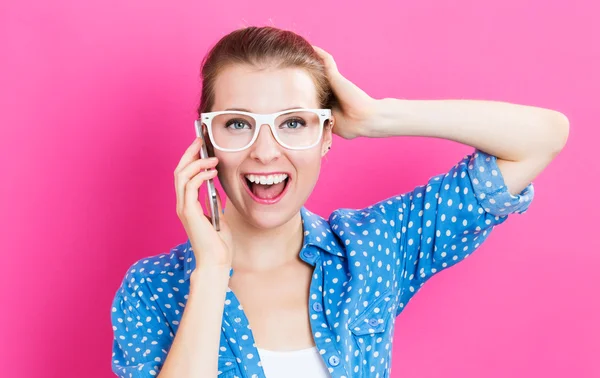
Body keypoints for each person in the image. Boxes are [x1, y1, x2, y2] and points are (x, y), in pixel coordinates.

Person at [109, 26, 568, 378]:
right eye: (237, 124)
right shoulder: (152, 290)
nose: (265, 151)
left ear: (327, 135)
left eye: (293, 123)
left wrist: (375, 116)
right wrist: (210, 272)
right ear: (205, 139)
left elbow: (542, 138)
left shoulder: (372, 249)